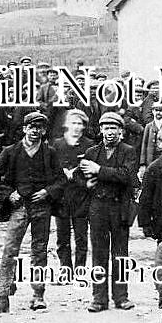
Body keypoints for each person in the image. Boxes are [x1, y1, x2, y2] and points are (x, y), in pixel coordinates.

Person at [0, 112, 66, 313]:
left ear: (44, 131)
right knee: (10, 250)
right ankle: (2, 297)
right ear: (24, 129)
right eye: (32, 127)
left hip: (42, 208)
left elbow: (61, 181)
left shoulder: (50, 153)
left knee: (39, 251)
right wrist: (9, 194)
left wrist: (47, 192)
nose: (35, 131)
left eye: (39, 128)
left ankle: (38, 295)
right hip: (19, 208)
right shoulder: (10, 151)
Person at [77, 112, 139, 312]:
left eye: (114, 128)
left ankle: (121, 297)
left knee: (120, 253)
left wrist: (99, 170)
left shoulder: (128, 151)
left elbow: (127, 176)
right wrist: (86, 182)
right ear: (101, 130)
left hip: (120, 207)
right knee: (99, 252)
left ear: (121, 131)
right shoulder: (91, 152)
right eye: (106, 127)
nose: (110, 132)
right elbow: (78, 176)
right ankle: (99, 298)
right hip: (98, 207)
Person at [52, 110, 94, 276]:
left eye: (80, 124)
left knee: (81, 235)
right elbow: (51, 168)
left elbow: (92, 170)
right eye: (73, 123)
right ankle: (65, 269)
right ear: (66, 125)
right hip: (62, 195)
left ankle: (80, 270)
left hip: (81, 194)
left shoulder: (89, 145)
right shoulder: (57, 144)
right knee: (62, 235)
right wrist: (62, 171)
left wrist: (78, 174)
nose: (76, 127)